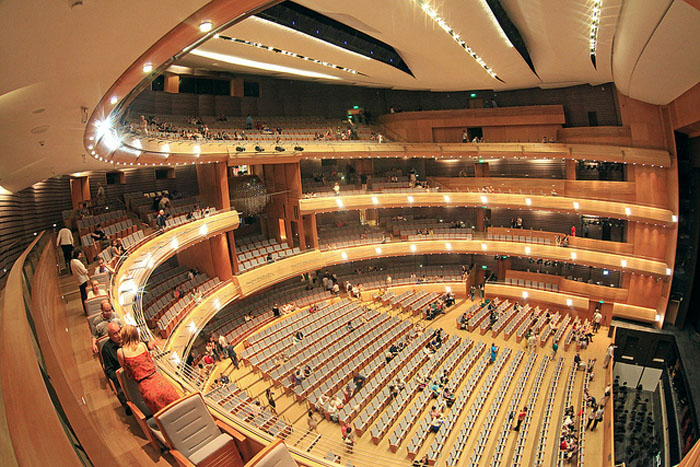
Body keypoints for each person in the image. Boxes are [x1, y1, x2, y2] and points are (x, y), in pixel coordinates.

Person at [117, 325, 180, 414]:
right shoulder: (142, 346)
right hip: (159, 380)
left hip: (146, 387)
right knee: (178, 407)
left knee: (163, 415)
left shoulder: (121, 352)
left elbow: (128, 371)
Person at [100, 322, 131, 415]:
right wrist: (121, 377)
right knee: (128, 406)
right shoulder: (106, 349)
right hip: (122, 378)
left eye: (119, 331)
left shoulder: (127, 338)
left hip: (134, 372)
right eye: (115, 333)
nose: (119, 335)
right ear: (109, 335)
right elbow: (109, 370)